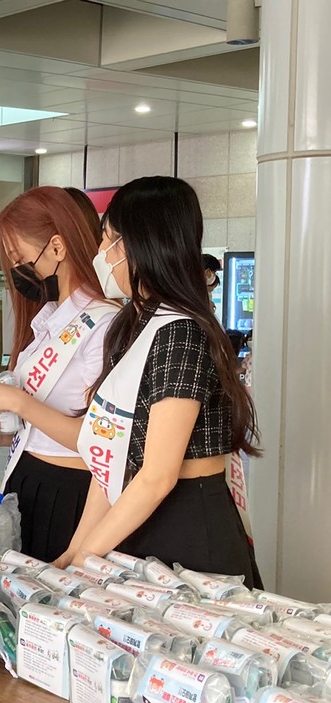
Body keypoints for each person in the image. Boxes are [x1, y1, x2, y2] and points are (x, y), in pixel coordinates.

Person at [60, 176, 260, 586]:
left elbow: (157, 476)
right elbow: (112, 460)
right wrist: (75, 549)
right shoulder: (132, 323)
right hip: (133, 514)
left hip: (188, 528)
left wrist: (87, 556)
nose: (101, 253)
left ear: (142, 244)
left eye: (110, 239)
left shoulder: (181, 332)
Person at [0, 186, 119, 561]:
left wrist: (16, 401)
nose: (16, 270)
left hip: (72, 492)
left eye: (19, 258)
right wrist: (1, 430)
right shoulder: (49, 320)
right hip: (28, 480)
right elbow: (41, 423)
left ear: (58, 248)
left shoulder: (105, 325)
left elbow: (102, 442)